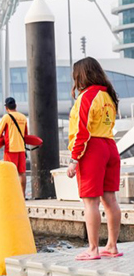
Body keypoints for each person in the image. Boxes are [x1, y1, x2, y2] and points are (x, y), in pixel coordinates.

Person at [66, 57, 122, 260]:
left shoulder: (87, 96)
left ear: (81, 75)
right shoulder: (108, 96)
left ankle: (93, 249)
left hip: (93, 149)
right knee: (110, 200)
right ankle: (112, 246)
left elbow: (82, 131)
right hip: (109, 146)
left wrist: (74, 160)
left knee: (90, 202)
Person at [0, 97, 28, 197]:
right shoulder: (23, 117)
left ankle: (12, 195)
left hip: (11, 149)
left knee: (10, 173)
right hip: (21, 149)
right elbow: (26, 134)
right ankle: (22, 195)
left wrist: (0, 141)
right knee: (22, 173)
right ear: (15, 106)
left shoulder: (6, 117)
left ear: (6, 108)